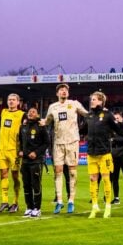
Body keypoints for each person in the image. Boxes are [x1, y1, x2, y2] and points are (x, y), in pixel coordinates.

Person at [42, 84, 88, 214]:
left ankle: (71, 201)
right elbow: (46, 121)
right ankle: (60, 201)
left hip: (72, 142)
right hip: (57, 143)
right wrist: (35, 120)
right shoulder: (53, 107)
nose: (64, 91)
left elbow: (87, 115)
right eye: (61, 90)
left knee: (72, 172)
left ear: (68, 93)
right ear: (57, 93)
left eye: (66, 90)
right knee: (58, 171)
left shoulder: (74, 104)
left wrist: (100, 111)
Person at [81, 91, 123, 219]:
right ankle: (94, 206)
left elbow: (119, 130)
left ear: (101, 101)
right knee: (93, 179)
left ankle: (107, 206)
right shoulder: (88, 116)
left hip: (104, 153)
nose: (92, 101)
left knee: (106, 179)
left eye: (94, 99)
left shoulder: (107, 115)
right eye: (91, 99)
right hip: (91, 153)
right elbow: (82, 130)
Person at [18, 107, 50, 218]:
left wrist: (36, 153)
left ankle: (37, 208)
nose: (31, 113)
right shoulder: (23, 126)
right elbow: (21, 141)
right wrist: (21, 151)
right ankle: (29, 207)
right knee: (26, 185)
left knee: (36, 185)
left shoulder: (41, 127)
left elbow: (47, 143)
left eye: (34, 112)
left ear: (37, 115)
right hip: (25, 161)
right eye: (29, 112)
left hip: (36, 161)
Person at [0, 93, 24, 213]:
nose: (11, 102)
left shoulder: (22, 115)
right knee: (3, 174)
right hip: (2, 149)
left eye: (13, 100)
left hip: (14, 150)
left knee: (15, 176)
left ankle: (15, 202)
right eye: (9, 100)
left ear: (18, 102)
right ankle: (4, 201)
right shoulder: (3, 112)